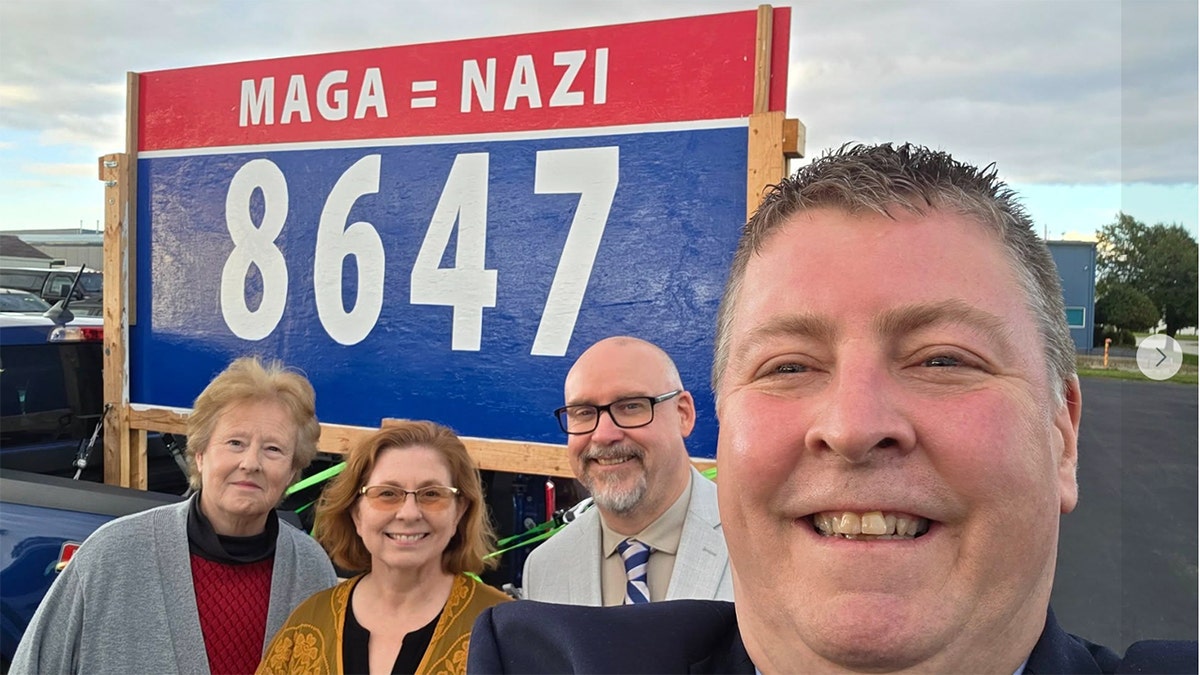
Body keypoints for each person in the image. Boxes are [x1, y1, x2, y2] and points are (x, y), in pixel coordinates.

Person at [467, 143, 1198, 673]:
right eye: (788, 366)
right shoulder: (540, 658)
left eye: (943, 358)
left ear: (1062, 434)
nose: (851, 426)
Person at [12, 356, 337, 674]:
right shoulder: (111, 556)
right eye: (235, 442)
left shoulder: (310, 571)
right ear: (199, 454)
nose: (251, 463)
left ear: (294, 469)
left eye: (273, 449)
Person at [257, 421, 510, 674]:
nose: (409, 513)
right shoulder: (308, 623)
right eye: (387, 494)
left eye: (431, 494)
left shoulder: (505, 630)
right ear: (356, 512)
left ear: (460, 511)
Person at [521, 336, 732, 605]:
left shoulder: (762, 541)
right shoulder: (544, 568)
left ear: (683, 414)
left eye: (631, 406)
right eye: (584, 412)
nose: (603, 435)